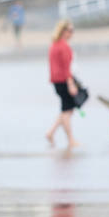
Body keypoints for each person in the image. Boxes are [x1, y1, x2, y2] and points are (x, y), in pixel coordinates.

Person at [45, 19, 80, 149]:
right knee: (67, 110)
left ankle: (51, 133)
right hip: (63, 80)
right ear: (63, 31)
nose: (72, 33)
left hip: (56, 80)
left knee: (68, 109)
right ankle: (70, 140)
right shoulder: (63, 46)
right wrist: (71, 84)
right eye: (70, 31)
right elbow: (66, 67)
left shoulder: (54, 44)